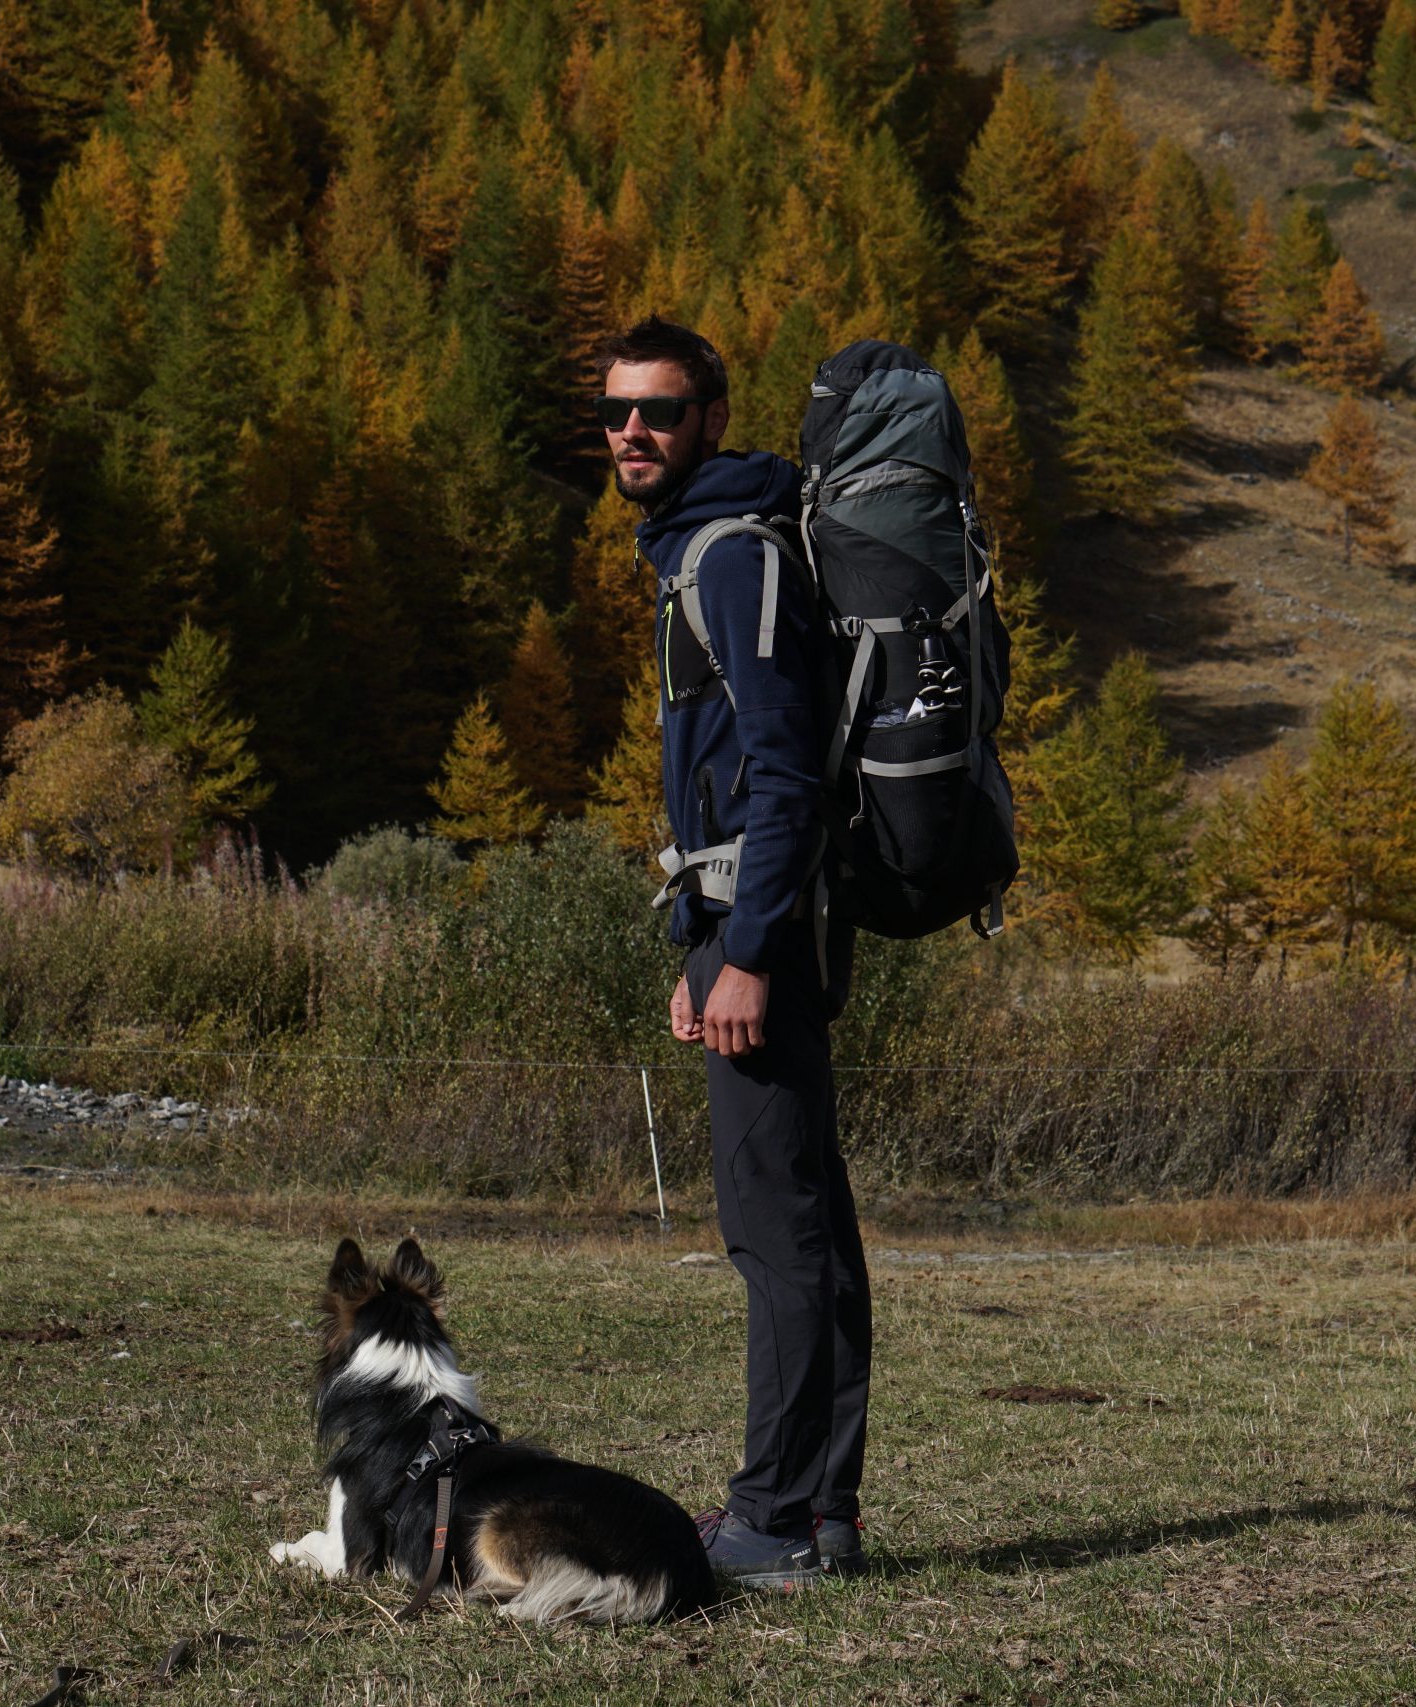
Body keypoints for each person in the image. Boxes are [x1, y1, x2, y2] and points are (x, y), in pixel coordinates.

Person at [592, 316, 871, 1590]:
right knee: (805, 1228)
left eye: (658, 410)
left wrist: (746, 952)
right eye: (614, 414)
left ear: (710, 416)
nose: (632, 433)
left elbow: (779, 780)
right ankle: (820, 1517)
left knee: (775, 1239)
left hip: (771, 934)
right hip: (741, 927)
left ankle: (769, 1519)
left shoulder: (733, 556)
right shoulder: (709, 549)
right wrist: (698, 942)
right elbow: (725, 789)